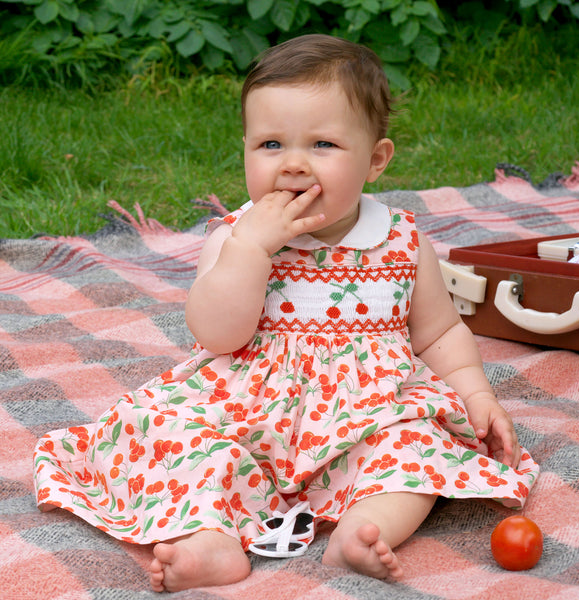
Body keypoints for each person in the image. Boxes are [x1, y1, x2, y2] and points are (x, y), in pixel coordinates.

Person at [33, 34, 539, 592]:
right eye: (271, 145)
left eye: (322, 144)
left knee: (416, 447)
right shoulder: (236, 237)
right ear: (246, 149)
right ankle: (210, 539)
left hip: (364, 415)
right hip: (245, 411)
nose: (294, 165)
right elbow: (217, 334)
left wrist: (476, 397)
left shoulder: (399, 240)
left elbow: (440, 332)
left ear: (375, 160)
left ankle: (364, 529)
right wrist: (251, 250)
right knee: (176, 439)